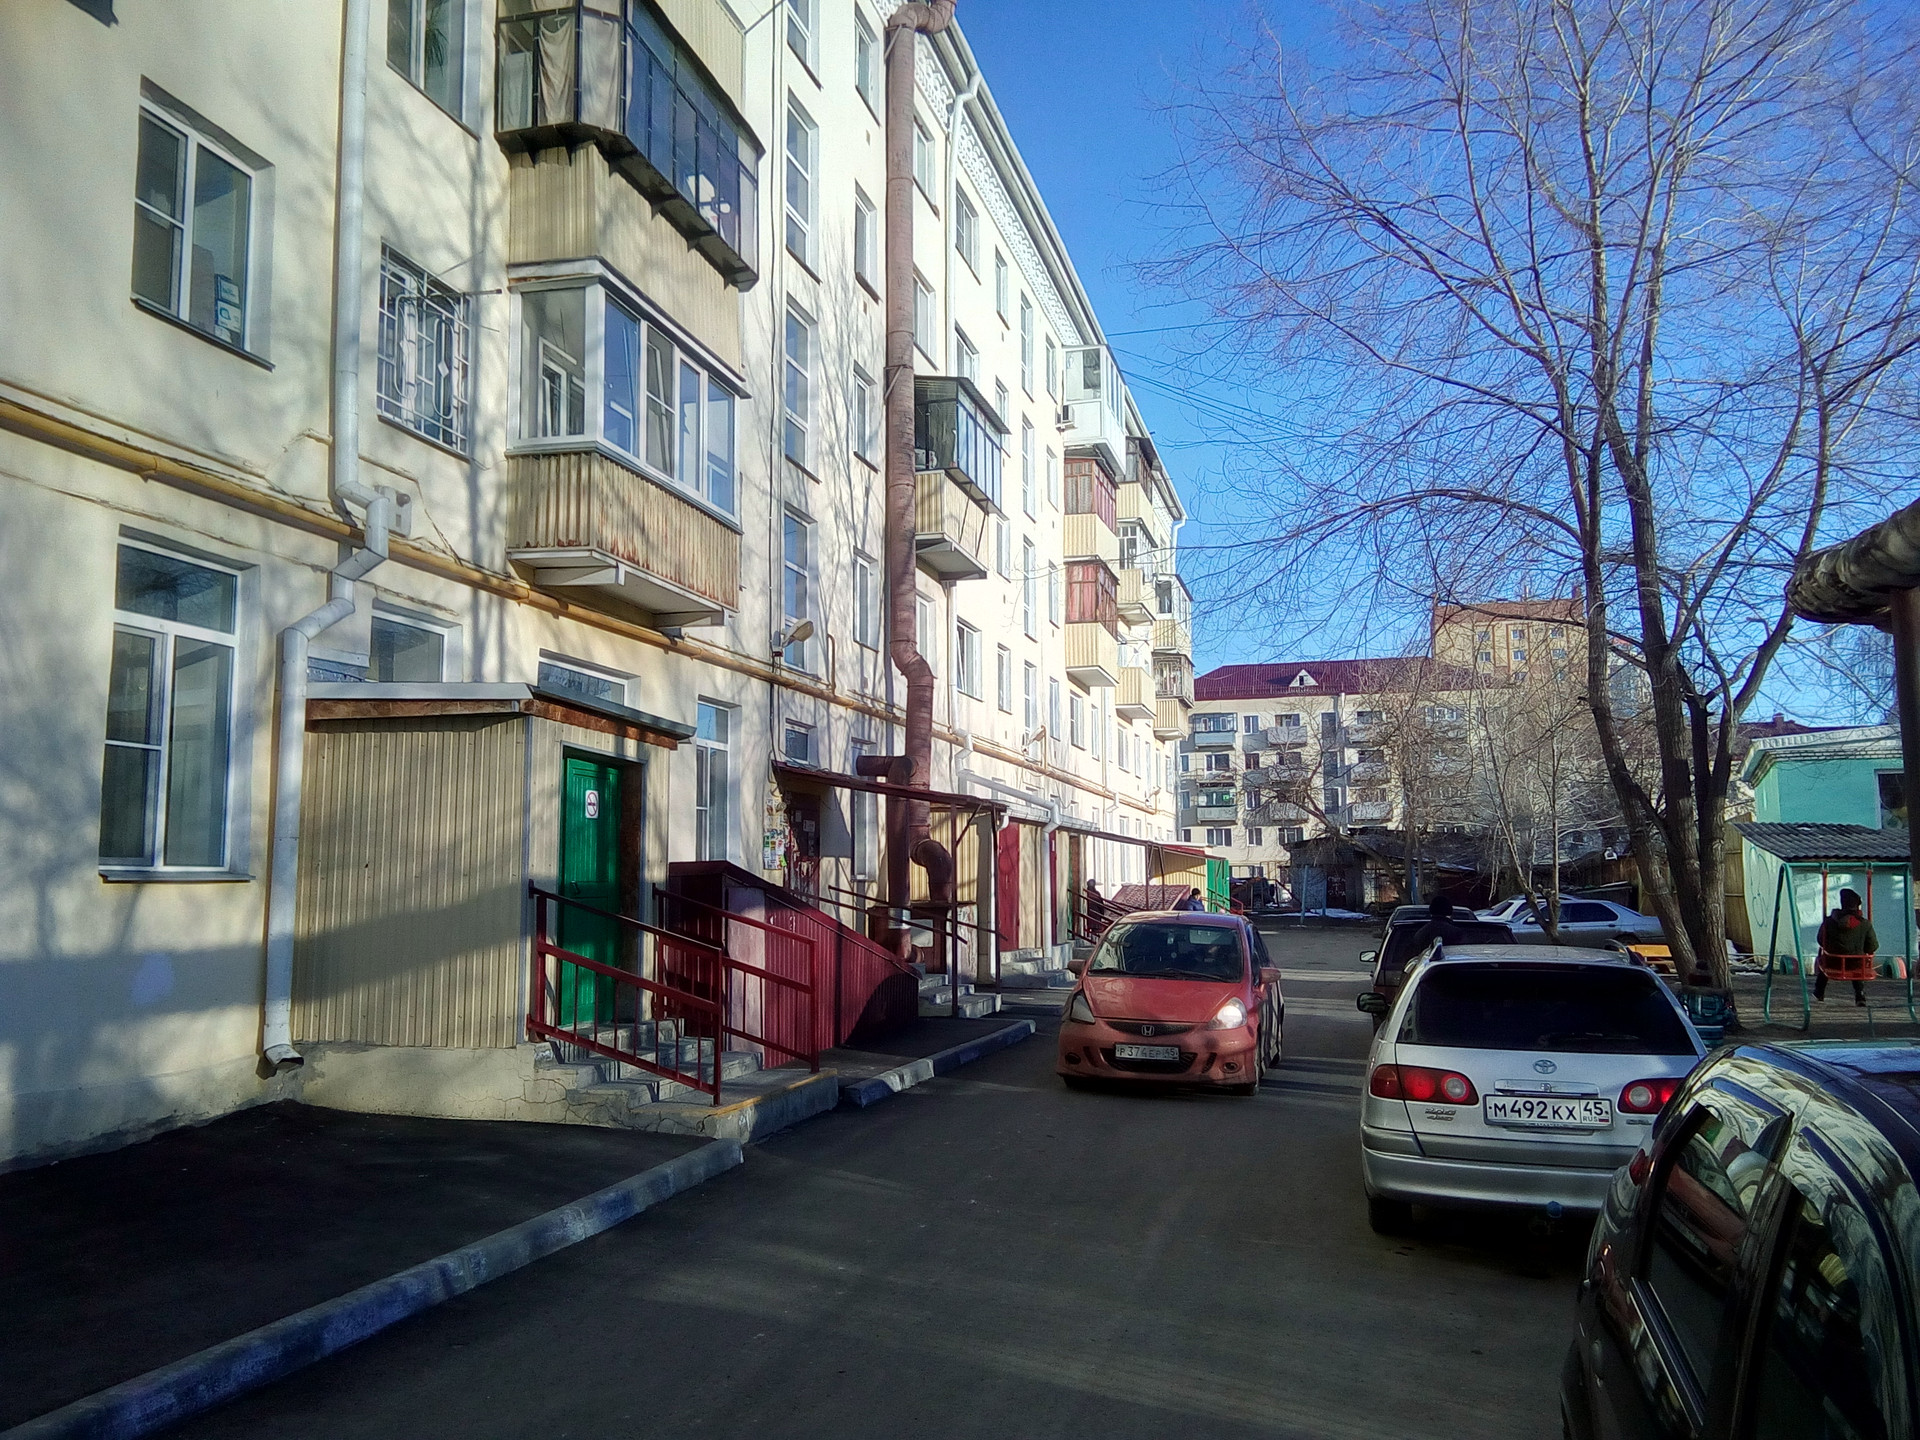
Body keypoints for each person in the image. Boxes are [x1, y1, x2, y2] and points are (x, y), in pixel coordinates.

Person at [1814, 888, 1878, 1006]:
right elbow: (1873, 946)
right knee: (1858, 961)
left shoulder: (1829, 922)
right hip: (1856, 964)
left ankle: (1819, 991)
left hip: (1833, 962)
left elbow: (1820, 940)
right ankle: (1860, 995)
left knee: (1823, 959)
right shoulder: (1865, 924)